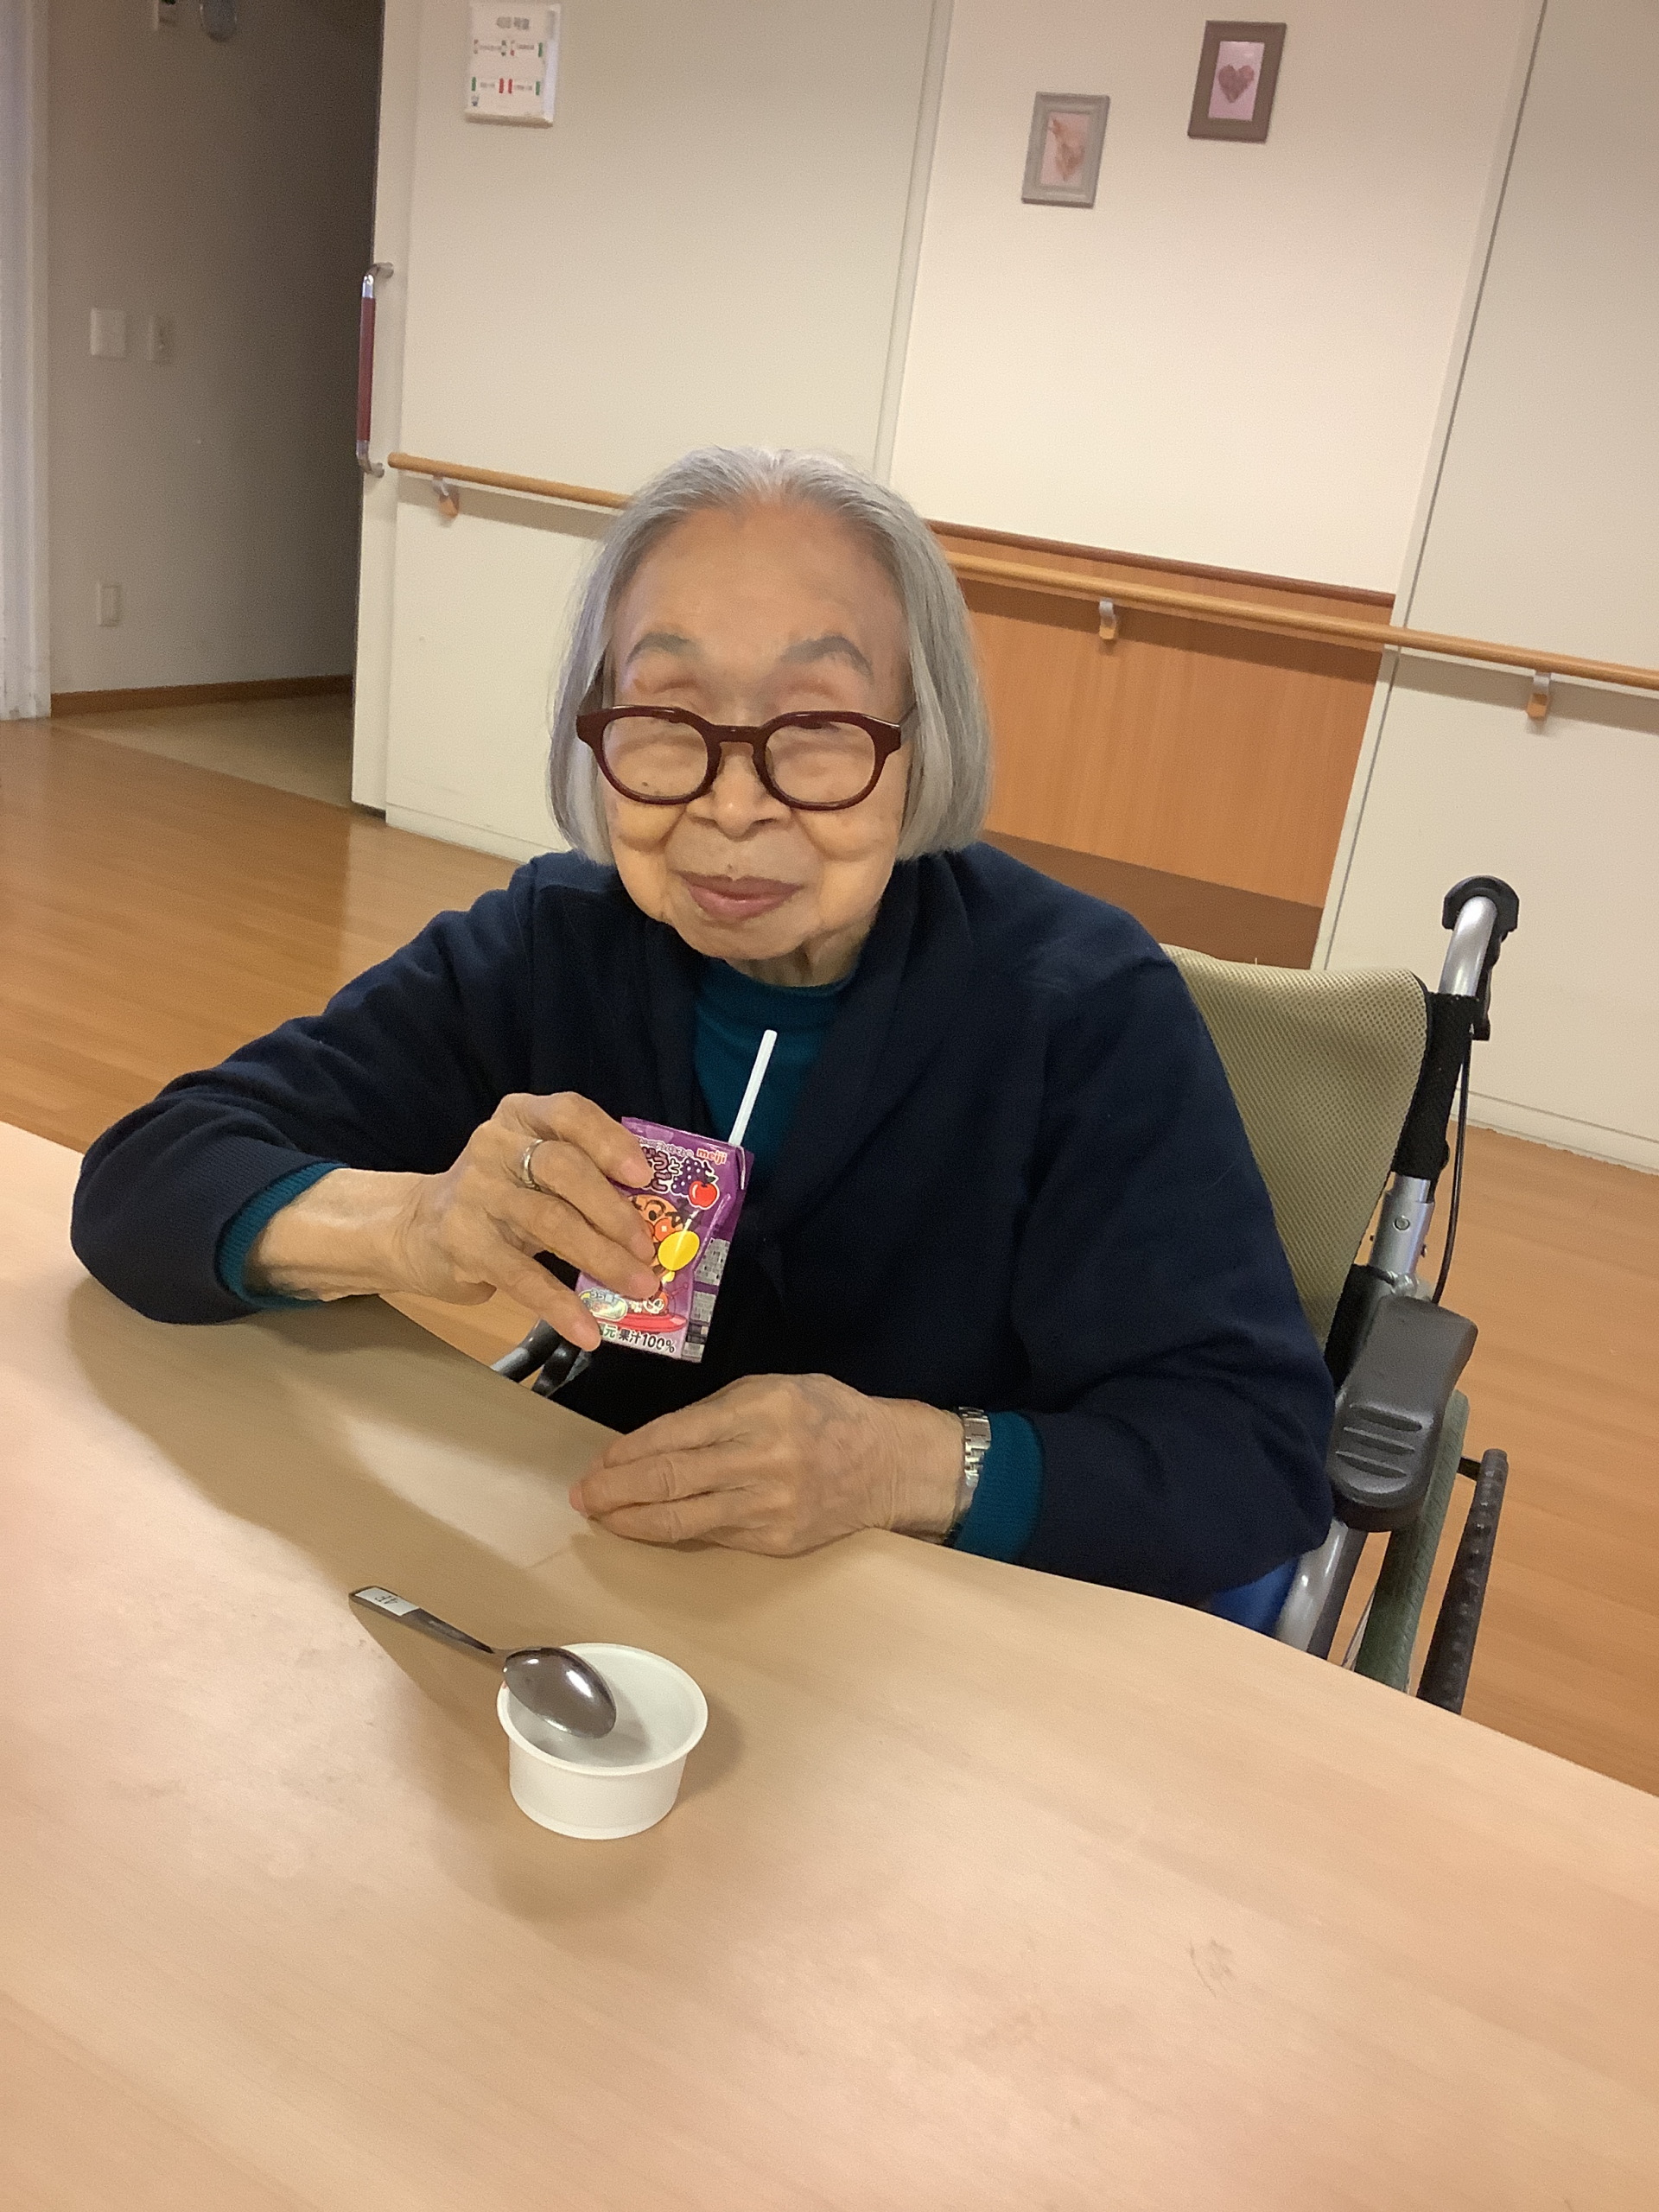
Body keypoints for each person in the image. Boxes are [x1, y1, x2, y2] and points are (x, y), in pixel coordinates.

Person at [71, 447, 1333, 1615]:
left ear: (920, 739)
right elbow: (149, 1177)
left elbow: (1255, 1452)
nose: (732, 807)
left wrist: (896, 1462)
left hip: (943, 1638)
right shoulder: (552, 946)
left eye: (819, 730)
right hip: (608, 1593)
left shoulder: (1081, 1006)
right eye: (668, 720)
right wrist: (413, 1223)